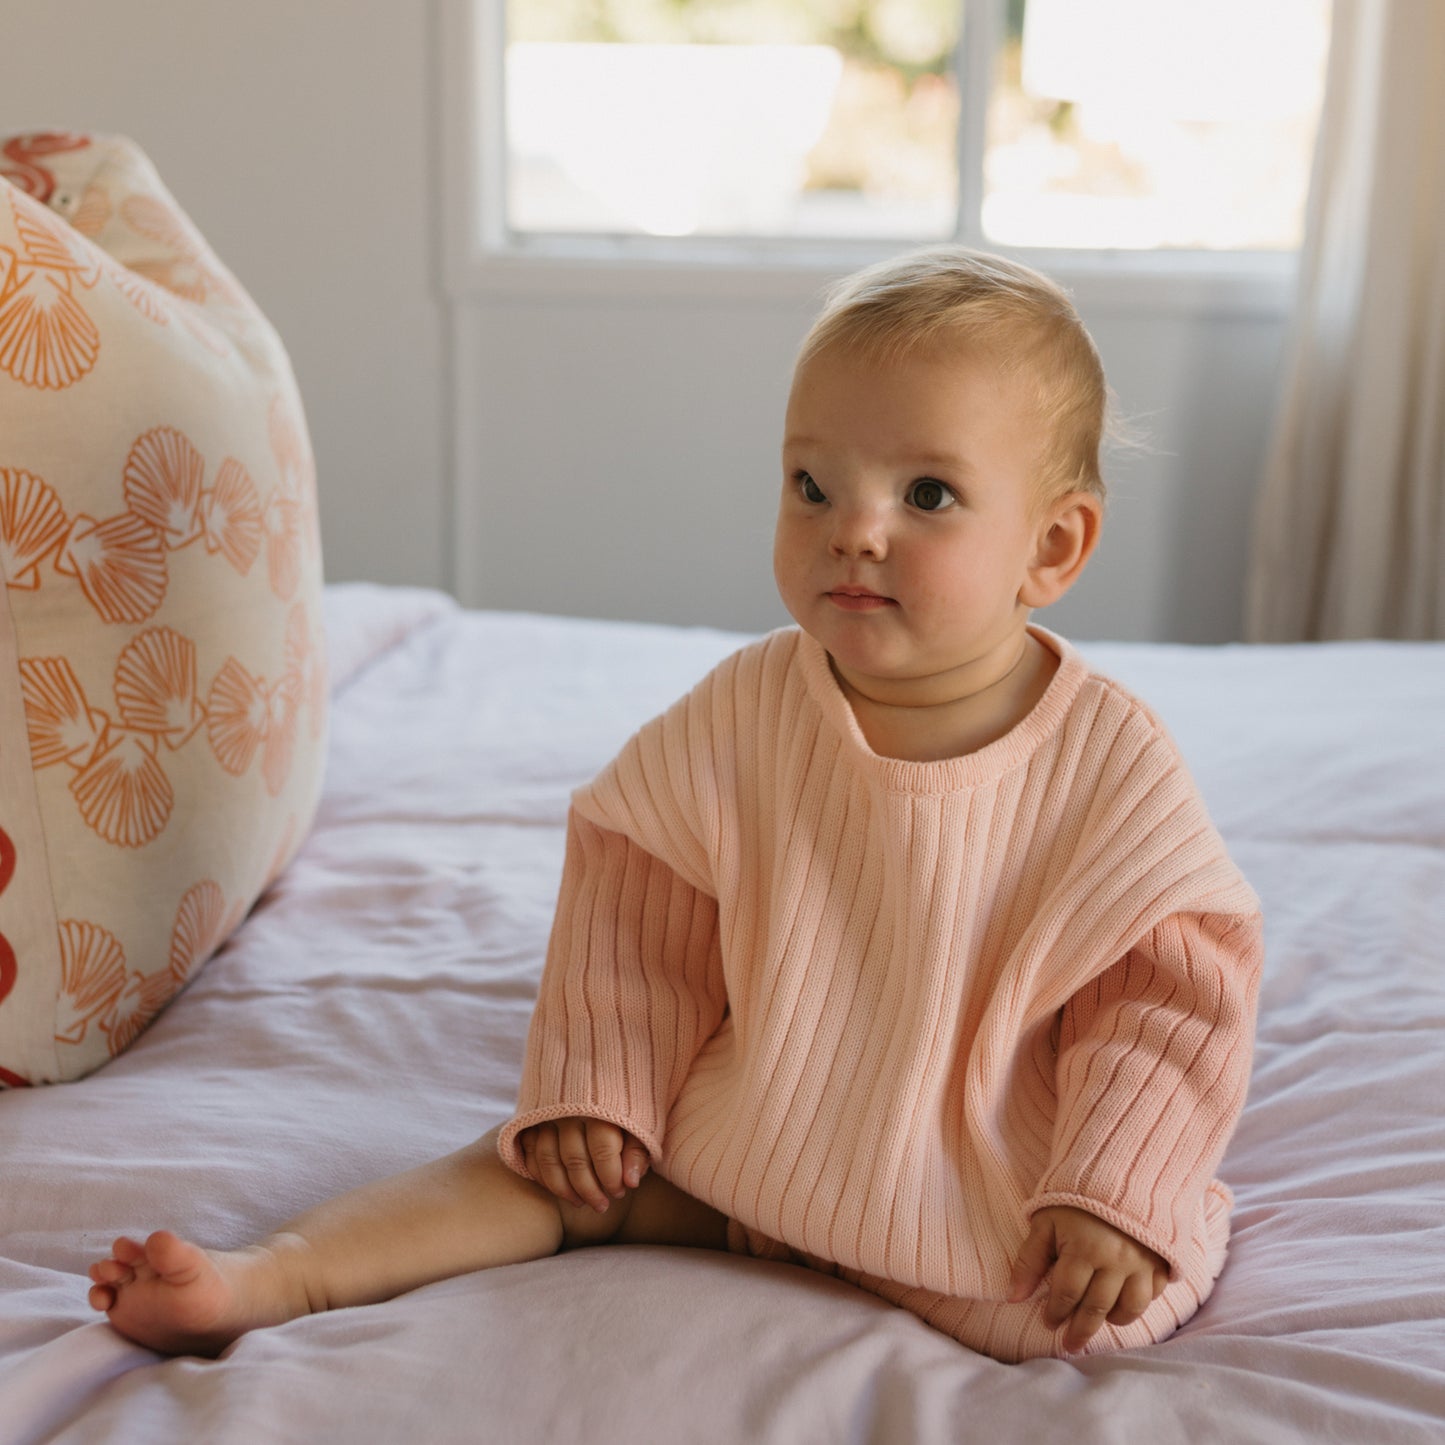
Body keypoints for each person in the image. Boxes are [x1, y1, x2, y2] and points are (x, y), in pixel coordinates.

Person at [87, 247, 1262, 1364]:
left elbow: (1166, 994)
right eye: (812, 483)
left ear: (1050, 547)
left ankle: (1083, 1225)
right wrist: (600, 1084)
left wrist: (1114, 1190)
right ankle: (274, 1276)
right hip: (761, 1156)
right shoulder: (751, 702)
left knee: (1098, 1311)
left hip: (986, 1211)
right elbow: (639, 900)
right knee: (530, 1172)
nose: (854, 526)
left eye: (926, 492)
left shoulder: (1103, 755)